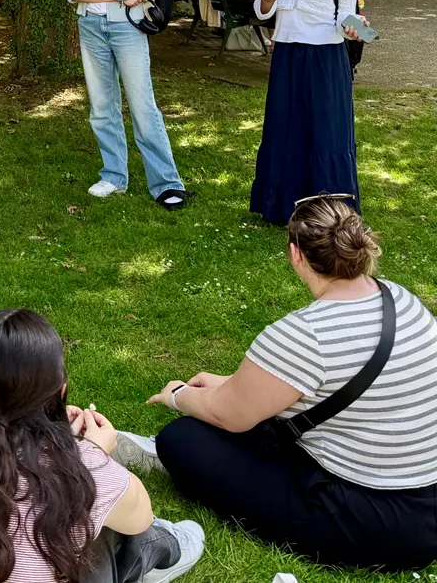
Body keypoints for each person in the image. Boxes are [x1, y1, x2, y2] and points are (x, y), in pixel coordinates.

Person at [116, 197, 437, 571]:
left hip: (375, 521)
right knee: (256, 427)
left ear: (295, 254)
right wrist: (226, 384)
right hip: (425, 495)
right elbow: (322, 387)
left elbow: (228, 415)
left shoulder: (304, 333)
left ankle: (160, 454)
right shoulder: (401, 298)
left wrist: (179, 396)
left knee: (182, 441)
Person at [0, 308, 204, 583]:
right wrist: (93, 453)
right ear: (60, 389)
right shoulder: (81, 469)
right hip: (101, 501)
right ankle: (168, 550)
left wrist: (59, 439)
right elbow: (140, 518)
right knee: (116, 529)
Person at [63, 0, 191, 211]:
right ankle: (114, 177)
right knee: (102, 107)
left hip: (127, 30)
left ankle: (166, 184)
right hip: (90, 28)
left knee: (142, 106)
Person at [250, 0, 368, 225]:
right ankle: (281, 207)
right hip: (286, 53)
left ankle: (332, 214)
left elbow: (346, 16)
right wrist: (268, 1)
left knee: (327, 133)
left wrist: (356, 27)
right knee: (284, 129)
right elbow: (261, 9)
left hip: (326, 58)